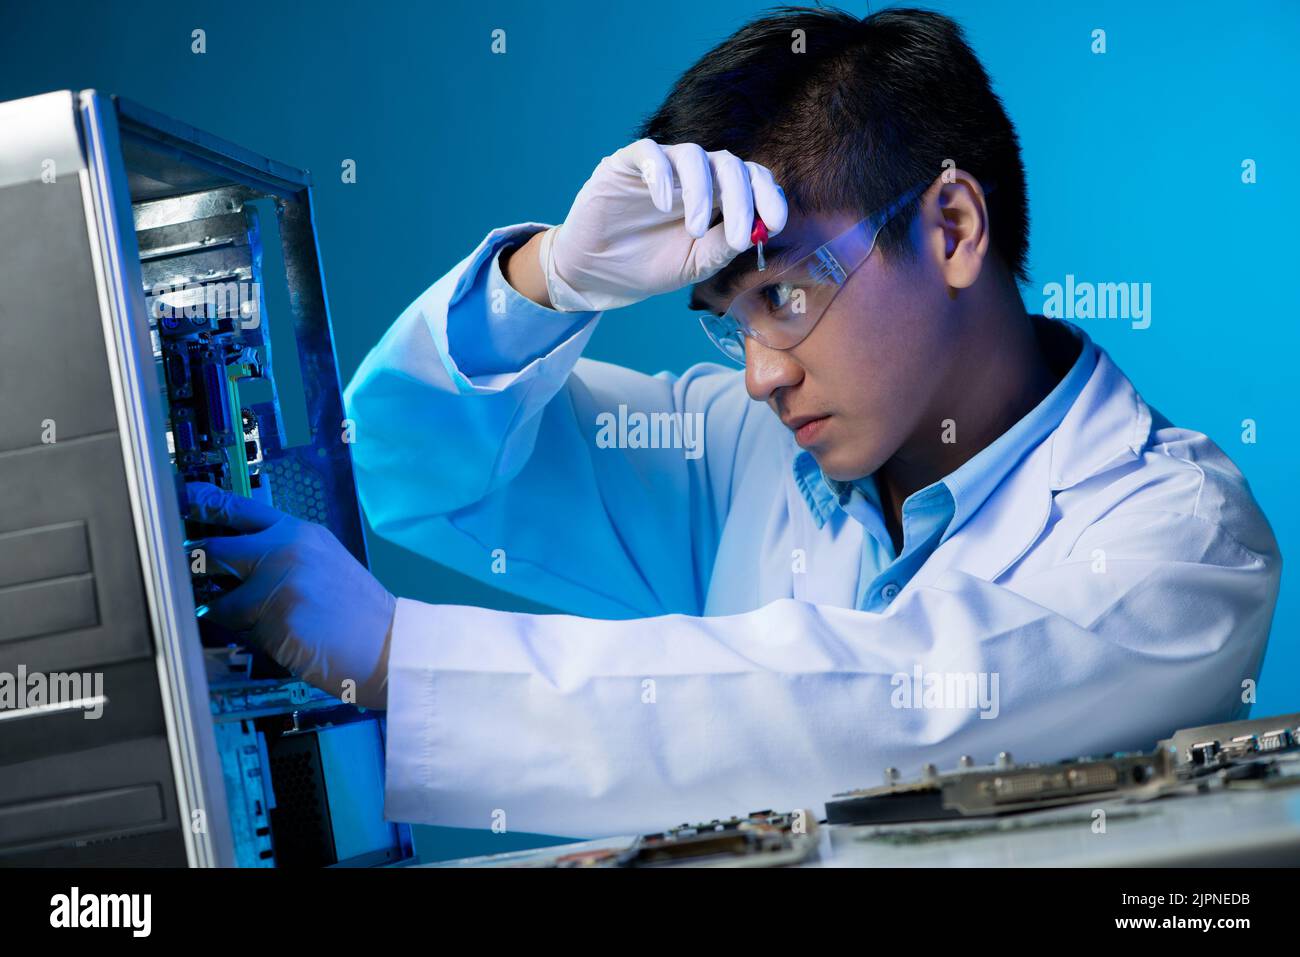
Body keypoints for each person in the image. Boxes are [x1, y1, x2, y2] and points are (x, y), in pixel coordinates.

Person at [187, 7, 1281, 838]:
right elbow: (398, 464)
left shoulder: (1175, 536)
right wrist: (552, 278)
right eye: (729, 320)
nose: (759, 375)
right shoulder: (740, 452)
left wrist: (396, 652)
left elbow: (895, 706)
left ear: (951, 227)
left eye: (785, 298)